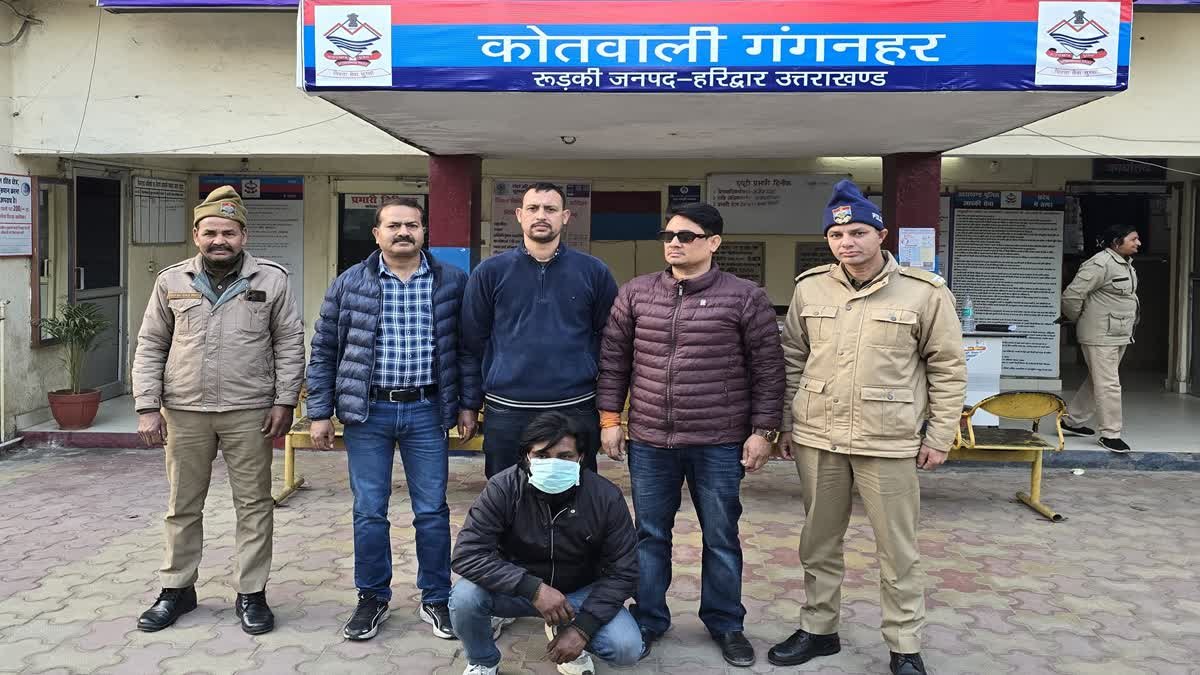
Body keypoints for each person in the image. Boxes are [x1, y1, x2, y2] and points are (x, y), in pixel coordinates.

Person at [770, 180, 966, 675]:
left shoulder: (925, 292)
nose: (847, 243)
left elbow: (947, 367)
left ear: (881, 235)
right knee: (818, 542)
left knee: (897, 550)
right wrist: (785, 423)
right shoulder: (809, 287)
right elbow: (792, 358)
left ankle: (905, 645)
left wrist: (940, 435)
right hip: (819, 435)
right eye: (836, 236)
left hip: (889, 439)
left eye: (858, 233)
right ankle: (819, 629)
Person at [596, 202, 785, 667]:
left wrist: (764, 431)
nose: (675, 243)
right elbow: (614, 361)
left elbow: (768, 369)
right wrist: (610, 420)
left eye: (687, 236)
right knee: (649, 534)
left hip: (718, 440)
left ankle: (726, 623)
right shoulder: (637, 293)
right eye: (669, 236)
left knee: (720, 536)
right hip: (650, 440)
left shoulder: (744, 297)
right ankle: (648, 618)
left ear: (714, 243)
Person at [132, 185, 305, 635]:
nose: (219, 240)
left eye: (228, 232)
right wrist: (147, 406)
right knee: (182, 505)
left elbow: (289, 342)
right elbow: (151, 344)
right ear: (196, 235)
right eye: (210, 232)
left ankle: (251, 592)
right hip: (185, 411)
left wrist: (285, 400)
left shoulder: (272, 280)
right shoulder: (172, 281)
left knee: (254, 505)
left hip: (250, 411)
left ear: (243, 235)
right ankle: (176, 589)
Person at [306, 198, 478, 641]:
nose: (404, 232)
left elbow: (467, 349)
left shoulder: (452, 282)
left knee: (432, 510)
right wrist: (319, 412)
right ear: (377, 233)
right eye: (394, 225)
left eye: (412, 225)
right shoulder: (349, 283)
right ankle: (372, 597)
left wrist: (468, 404)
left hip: (427, 410)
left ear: (424, 231)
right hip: (368, 413)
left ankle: (436, 597)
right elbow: (324, 350)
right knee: (369, 510)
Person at [449, 411, 642, 675]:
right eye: (542, 456)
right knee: (464, 597)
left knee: (626, 647)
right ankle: (483, 661)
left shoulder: (605, 497)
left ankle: (565, 625)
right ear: (526, 457)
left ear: (581, 457)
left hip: (580, 592)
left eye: (564, 456)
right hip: (518, 589)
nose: (553, 464)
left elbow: (625, 570)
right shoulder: (503, 488)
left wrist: (583, 628)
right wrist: (534, 589)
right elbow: (467, 554)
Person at [462, 182, 618, 477]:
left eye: (550, 209)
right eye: (533, 208)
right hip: (507, 410)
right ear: (519, 215)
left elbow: (611, 341)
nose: (541, 215)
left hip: (574, 407)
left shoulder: (593, 272)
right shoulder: (490, 272)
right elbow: (471, 343)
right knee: (507, 493)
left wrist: (609, 413)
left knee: (575, 493)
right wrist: (469, 403)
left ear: (565, 216)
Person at [1060, 224, 1141, 453]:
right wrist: (1080, 319)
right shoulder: (1100, 263)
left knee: (1098, 381)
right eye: (1133, 239)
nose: (1138, 243)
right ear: (1116, 242)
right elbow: (1071, 296)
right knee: (1109, 385)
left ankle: (1071, 421)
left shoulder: (1125, 263)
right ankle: (1110, 434)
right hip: (1099, 335)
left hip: (1118, 333)